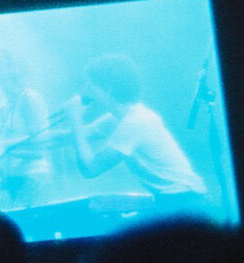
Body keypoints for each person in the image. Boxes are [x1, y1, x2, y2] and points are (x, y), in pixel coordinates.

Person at [69, 53, 207, 214]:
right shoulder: (119, 118)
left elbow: (90, 169)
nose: (85, 93)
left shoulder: (134, 122)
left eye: (91, 87)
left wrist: (75, 119)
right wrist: (42, 137)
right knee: (99, 204)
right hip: (175, 199)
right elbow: (79, 134)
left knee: (98, 211)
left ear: (108, 90)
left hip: (184, 201)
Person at [0, 49, 57, 209]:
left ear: (13, 69)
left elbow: (41, 139)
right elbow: (1, 143)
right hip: (14, 175)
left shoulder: (29, 98)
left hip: (33, 176)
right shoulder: (6, 103)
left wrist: (2, 145)